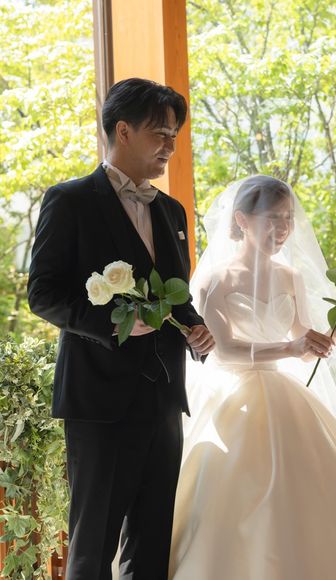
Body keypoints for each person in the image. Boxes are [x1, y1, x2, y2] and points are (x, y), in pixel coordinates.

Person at [169, 175, 336, 579]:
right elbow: (223, 350)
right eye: (272, 219)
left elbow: (301, 336)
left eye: (287, 219)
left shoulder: (289, 275)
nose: (282, 229)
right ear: (241, 220)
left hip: (283, 394)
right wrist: (291, 348)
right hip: (232, 399)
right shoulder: (214, 279)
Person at [27, 78, 215, 580]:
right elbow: (43, 293)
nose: (169, 146)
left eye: (174, 136)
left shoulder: (172, 211)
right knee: (93, 547)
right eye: (160, 134)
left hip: (165, 400)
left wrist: (196, 329)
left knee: (152, 546)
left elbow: (176, 296)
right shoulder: (69, 201)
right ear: (124, 130)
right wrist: (116, 326)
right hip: (98, 402)